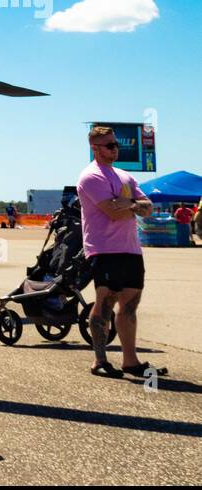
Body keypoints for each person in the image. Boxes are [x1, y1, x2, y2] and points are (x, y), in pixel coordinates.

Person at [78, 126, 162, 378]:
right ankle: (99, 360)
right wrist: (134, 207)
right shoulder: (91, 177)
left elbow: (149, 208)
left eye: (116, 145)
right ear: (95, 148)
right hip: (105, 249)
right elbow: (113, 213)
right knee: (105, 302)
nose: (115, 149)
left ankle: (130, 361)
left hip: (130, 249)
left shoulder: (125, 176)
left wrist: (131, 204)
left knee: (130, 305)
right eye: (110, 146)